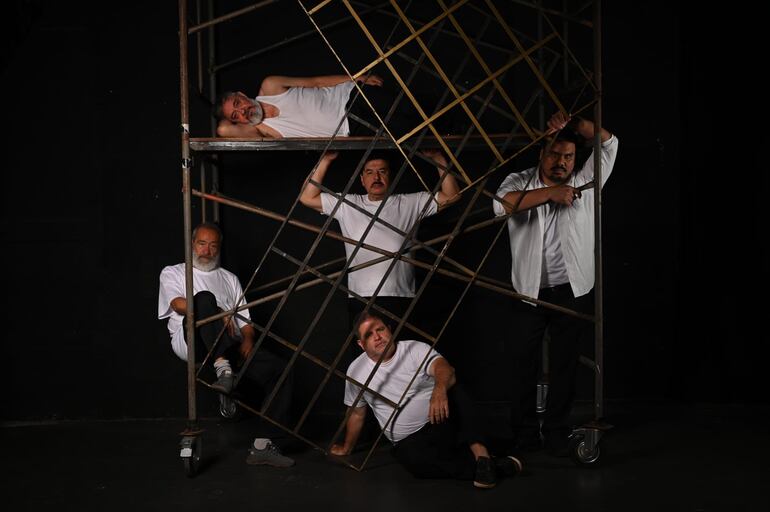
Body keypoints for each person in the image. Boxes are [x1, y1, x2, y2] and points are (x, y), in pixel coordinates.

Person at [492, 111, 619, 455]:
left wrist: (574, 124)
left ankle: (556, 432)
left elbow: (609, 143)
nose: (561, 162)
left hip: (571, 290)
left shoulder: (587, 179)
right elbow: (503, 204)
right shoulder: (519, 180)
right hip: (528, 293)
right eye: (554, 154)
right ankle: (524, 435)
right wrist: (552, 193)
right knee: (523, 365)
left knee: (564, 365)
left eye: (568, 156)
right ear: (541, 153)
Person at [330, 310, 523, 489]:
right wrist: (347, 447)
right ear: (361, 345)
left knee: (456, 389)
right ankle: (492, 465)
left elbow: (444, 369)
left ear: (389, 329)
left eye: (380, 329)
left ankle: (482, 455)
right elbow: (357, 413)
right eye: (368, 335)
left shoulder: (414, 348)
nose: (377, 337)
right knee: (415, 464)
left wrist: (439, 390)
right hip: (410, 441)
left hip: (441, 419)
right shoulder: (356, 371)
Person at [158, 222, 295, 467]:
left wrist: (248, 340)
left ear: (219, 248)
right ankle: (224, 370)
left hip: (230, 344)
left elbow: (245, 323)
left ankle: (265, 445)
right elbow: (178, 304)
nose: (207, 251)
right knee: (203, 299)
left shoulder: (229, 278)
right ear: (192, 244)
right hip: (192, 342)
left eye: (213, 246)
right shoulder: (174, 272)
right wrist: (219, 311)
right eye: (202, 244)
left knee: (280, 370)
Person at [299, 150, 460, 327]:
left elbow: (452, 196)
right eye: (370, 172)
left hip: (401, 296)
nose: (376, 177)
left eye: (382, 171)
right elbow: (307, 197)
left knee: (404, 344)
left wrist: (438, 158)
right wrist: (325, 160)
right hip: (360, 297)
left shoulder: (410, 203)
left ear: (391, 177)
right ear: (362, 180)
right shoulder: (348, 204)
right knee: (363, 345)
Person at [214, 73, 387, 139]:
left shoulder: (270, 86)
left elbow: (316, 82)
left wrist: (357, 78)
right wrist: (232, 119)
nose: (242, 110)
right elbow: (223, 130)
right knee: (400, 130)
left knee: (401, 105)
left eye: (238, 103)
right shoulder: (264, 132)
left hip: (352, 95)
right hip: (351, 128)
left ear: (242, 95)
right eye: (236, 115)